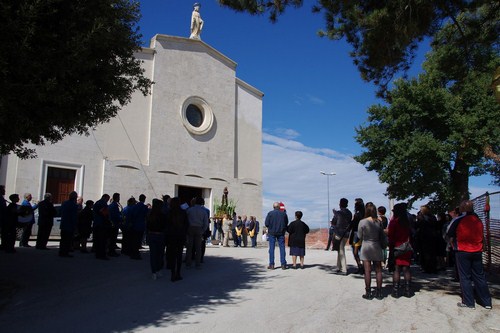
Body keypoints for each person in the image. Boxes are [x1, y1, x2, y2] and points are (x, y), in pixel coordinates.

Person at [447, 200, 492, 310]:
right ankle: (486, 302)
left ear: (462, 208)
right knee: (480, 276)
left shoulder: (459, 219)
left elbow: (449, 232)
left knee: (465, 277)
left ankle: (468, 302)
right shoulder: (478, 220)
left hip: (462, 250)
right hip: (477, 250)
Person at [358, 202, 385, 300]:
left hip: (366, 247)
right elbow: (382, 235)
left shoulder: (362, 222)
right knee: (378, 271)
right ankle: (379, 292)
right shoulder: (378, 221)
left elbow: (359, 236)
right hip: (377, 246)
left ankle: (368, 292)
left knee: (367, 271)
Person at [388, 202, 413, 298]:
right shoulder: (407, 222)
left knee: (396, 270)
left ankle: (395, 290)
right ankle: (407, 290)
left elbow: (391, 236)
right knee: (406, 269)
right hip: (407, 247)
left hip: (397, 246)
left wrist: (390, 247)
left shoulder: (394, 222)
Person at [166, 197, 188, 282]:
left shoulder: (169, 213)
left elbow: (166, 225)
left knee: (172, 255)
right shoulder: (183, 213)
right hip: (180, 236)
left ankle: (172, 273)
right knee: (179, 255)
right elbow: (186, 225)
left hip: (171, 236)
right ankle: (178, 273)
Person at [185, 197, 209, 268]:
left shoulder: (189, 210)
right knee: (198, 247)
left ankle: (188, 263)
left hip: (190, 228)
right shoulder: (204, 211)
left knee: (189, 247)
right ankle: (197, 264)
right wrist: (203, 230)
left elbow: (186, 220)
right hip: (199, 228)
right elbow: (206, 223)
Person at [147, 198, 167, 280]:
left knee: (153, 254)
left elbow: (147, 226)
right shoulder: (162, 215)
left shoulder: (150, 214)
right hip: (160, 235)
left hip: (152, 235)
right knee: (160, 254)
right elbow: (165, 226)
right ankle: (158, 269)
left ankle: (154, 272)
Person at [264, 202, 289, 270]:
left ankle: (272, 264)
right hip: (281, 232)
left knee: (271, 249)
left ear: (273, 207)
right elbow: (286, 223)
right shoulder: (284, 214)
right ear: (279, 207)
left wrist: (271, 227)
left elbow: (266, 223)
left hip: (272, 233)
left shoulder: (270, 213)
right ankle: (283, 264)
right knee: (282, 248)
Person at [332, 198, 353, 275]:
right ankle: (339, 266)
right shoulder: (349, 213)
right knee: (340, 249)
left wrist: (335, 214)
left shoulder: (338, 213)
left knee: (341, 251)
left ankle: (344, 269)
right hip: (346, 233)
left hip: (339, 233)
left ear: (340, 204)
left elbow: (334, 222)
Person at [59, 191, 78, 258]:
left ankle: (61, 251)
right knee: (67, 240)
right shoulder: (74, 205)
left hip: (63, 224)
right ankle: (65, 252)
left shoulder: (64, 203)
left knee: (63, 239)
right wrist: (75, 226)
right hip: (69, 225)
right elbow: (74, 216)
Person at [130, 194, 149, 260]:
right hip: (141, 225)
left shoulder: (135, 206)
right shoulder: (144, 207)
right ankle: (136, 254)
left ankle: (133, 253)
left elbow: (132, 215)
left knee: (134, 240)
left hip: (134, 225)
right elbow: (146, 216)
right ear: (144, 199)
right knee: (138, 240)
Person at [93, 194, 111, 260]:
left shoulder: (97, 203)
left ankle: (98, 254)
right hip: (102, 224)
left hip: (97, 224)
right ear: (105, 197)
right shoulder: (103, 203)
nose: (108, 200)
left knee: (98, 240)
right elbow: (105, 214)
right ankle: (102, 254)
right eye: (107, 199)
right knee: (102, 241)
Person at [349, 198, 365, 274]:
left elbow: (353, 224)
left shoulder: (358, 214)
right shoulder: (364, 214)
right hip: (362, 234)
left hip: (357, 233)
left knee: (356, 252)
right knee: (361, 252)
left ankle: (360, 266)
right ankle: (362, 267)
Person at [108, 193, 122, 257]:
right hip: (114, 224)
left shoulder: (111, 205)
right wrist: (121, 218)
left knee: (112, 239)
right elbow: (116, 215)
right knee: (113, 239)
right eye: (119, 197)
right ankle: (112, 251)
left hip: (112, 224)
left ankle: (111, 251)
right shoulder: (114, 205)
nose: (119, 198)